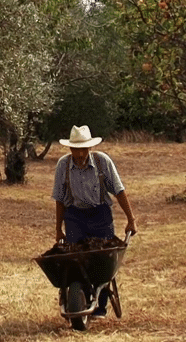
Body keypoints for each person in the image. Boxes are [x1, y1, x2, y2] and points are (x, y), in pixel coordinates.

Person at [52, 125, 137, 318]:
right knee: (75, 259)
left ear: (90, 148)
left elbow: (119, 191)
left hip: (100, 215)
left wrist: (131, 219)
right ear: (70, 149)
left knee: (102, 260)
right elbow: (59, 200)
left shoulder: (102, 162)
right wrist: (58, 230)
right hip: (74, 216)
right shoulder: (63, 166)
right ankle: (79, 294)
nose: (80, 154)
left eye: (83, 149)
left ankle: (101, 306)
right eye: (76, 149)